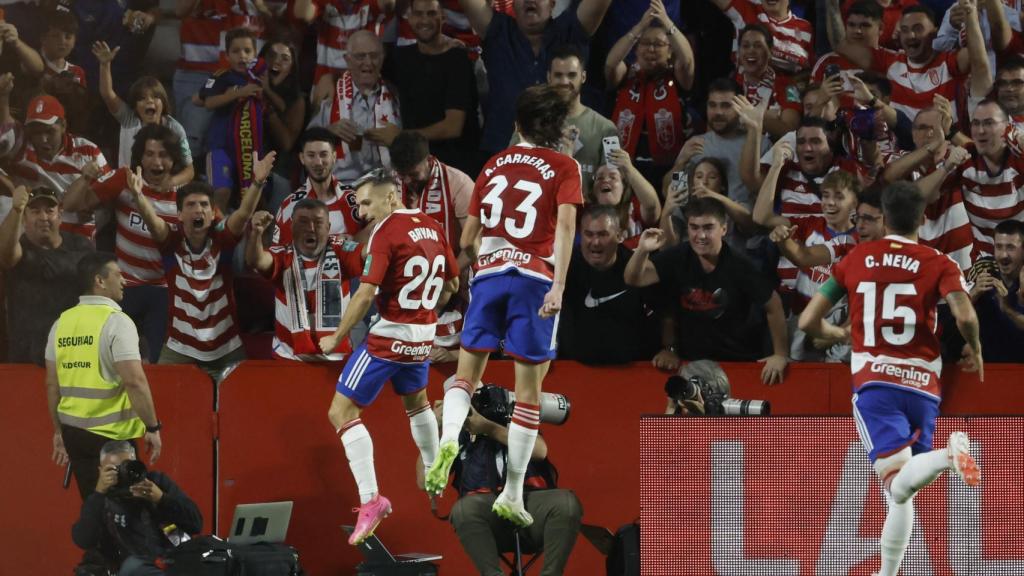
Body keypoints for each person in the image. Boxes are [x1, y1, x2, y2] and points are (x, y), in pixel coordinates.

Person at [798, 181, 983, 576]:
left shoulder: (855, 259)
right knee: (902, 494)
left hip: (875, 384)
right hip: (923, 389)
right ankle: (888, 573)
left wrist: (838, 334)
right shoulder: (940, 261)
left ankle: (948, 456)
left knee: (896, 485)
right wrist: (976, 349)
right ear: (922, 218)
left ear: (883, 215)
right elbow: (965, 315)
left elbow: (808, 320)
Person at [425, 85, 583, 528]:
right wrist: (559, 285)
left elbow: (468, 240)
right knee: (529, 393)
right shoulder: (564, 165)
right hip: (533, 280)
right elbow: (567, 226)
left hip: (489, 277)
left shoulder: (493, 164)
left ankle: (450, 436)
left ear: (517, 126)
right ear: (556, 129)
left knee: (465, 376)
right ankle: (513, 492)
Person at [316, 169, 460, 545]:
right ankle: (434, 471)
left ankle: (371, 499)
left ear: (391, 197)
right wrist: (426, 309)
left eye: (366, 202)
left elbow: (365, 294)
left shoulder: (386, 232)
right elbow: (454, 284)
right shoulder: (433, 226)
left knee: (340, 412)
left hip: (389, 336)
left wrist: (337, 336)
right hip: (423, 337)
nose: (362, 212)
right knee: (417, 404)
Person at [134, 155, 275, 380]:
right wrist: (138, 196)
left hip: (227, 349)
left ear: (212, 213)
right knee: (165, 403)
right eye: (191, 205)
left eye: (204, 205)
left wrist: (257, 183)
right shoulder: (170, 245)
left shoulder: (224, 241)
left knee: (239, 407)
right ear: (179, 214)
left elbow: (243, 214)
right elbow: (153, 222)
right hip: (179, 349)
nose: (198, 209)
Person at [624, 197, 789, 382]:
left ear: (723, 229)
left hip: (737, 361)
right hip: (690, 363)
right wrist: (642, 250)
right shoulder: (678, 257)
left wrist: (780, 354)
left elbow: (774, 304)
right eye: (694, 227)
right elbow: (633, 278)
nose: (700, 236)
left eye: (708, 228)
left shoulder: (740, 265)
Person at [424, 386, 582, 576]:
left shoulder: (516, 422)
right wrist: (433, 427)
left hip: (531, 509)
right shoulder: (457, 436)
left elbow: (540, 451)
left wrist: (489, 428)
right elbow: (423, 480)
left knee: (566, 502)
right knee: (463, 509)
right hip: (488, 518)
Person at [61, 125, 187, 363]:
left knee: (153, 363)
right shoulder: (123, 179)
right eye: (149, 154)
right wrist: (87, 176)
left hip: (163, 290)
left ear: (173, 160)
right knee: (109, 357)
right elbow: (72, 205)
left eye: (163, 155)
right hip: (123, 286)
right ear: (140, 157)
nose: (156, 162)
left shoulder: (184, 193)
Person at [45, 252, 163, 499]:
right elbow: (134, 381)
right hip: (113, 440)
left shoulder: (61, 323)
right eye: (118, 275)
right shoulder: (117, 322)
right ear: (99, 281)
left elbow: (52, 385)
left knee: (94, 507)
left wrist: (58, 432)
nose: (124, 281)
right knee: (125, 516)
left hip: (74, 436)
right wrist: (152, 426)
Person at [459, 0, 613, 159]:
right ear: (512, 5)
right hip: (501, 155)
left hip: (563, 156)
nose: (529, 1)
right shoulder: (498, 30)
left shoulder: (570, 30)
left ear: (552, 3)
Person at [248, 198, 364, 362]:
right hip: (288, 357)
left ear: (328, 227)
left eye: (318, 222)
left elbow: (366, 254)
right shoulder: (282, 255)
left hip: (336, 358)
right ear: (292, 227)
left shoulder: (340, 249)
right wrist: (256, 233)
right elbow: (256, 260)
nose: (311, 228)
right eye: (303, 222)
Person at [72, 440, 202, 576]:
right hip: (123, 566)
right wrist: (99, 493)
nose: (124, 473)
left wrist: (161, 499)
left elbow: (196, 524)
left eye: (128, 466)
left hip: (165, 561)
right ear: (101, 471)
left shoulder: (156, 483)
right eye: (115, 470)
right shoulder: (102, 498)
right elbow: (84, 540)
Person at [1, 83, 112, 239]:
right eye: (36, 132)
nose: (43, 139)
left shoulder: (89, 152)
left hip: (76, 238)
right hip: (32, 236)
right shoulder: (20, 145)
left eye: (49, 131)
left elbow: (107, 201)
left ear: (63, 125)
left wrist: (90, 202)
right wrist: (11, 187)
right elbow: (5, 128)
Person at [385, 0, 480, 177]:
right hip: (414, 166)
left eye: (431, 13)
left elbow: (453, 126)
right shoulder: (401, 58)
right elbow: (373, 70)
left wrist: (401, 137)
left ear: (442, 17)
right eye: (419, 14)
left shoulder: (458, 60)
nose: (425, 20)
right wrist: (329, 77)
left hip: (455, 167)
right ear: (410, 18)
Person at [0, 185, 93, 365]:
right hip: (26, 357)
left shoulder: (81, 247)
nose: (43, 217)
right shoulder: (19, 248)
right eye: (35, 211)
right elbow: (5, 254)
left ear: (60, 214)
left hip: (73, 354)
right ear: (25, 218)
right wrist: (16, 209)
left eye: (49, 211)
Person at [605, 0, 695, 184]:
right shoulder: (625, 74)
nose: (651, 49)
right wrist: (639, 27)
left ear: (670, 51)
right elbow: (610, 64)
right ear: (636, 49)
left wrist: (666, 21)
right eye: (645, 43)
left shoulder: (677, 76)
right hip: (624, 166)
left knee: (675, 208)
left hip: (673, 166)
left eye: (658, 44)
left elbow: (687, 60)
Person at [558, 205, 658, 364]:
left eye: (603, 234)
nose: (595, 242)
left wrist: (668, 349)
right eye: (588, 234)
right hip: (574, 369)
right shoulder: (564, 267)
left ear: (619, 236)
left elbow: (664, 312)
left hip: (629, 370)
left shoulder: (636, 268)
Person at [881, 106, 974, 270]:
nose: (930, 133)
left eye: (936, 128)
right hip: (915, 267)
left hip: (962, 268)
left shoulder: (960, 157)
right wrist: (938, 145)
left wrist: (950, 137)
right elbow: (893, 180)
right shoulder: (899, 159)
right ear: (913, 133)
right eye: (923, 128)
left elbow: (982, 153)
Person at [515, 44, 617, 192]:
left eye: (571, 75)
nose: (564, 82)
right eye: (558, 75)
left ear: (583, 77)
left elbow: (614, 185)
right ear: (548, 77)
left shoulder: (606, 129)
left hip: (587, 211)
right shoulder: (530, 123)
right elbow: (513, 169)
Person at [307, 30, 403, 182]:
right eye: (360, 56)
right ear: (347, 60)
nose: (368, 62)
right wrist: (328, 132)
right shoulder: (331, 94)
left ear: (382, 58)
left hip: (385, 184)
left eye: (374, 56)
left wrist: (399, 139)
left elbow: (411, 144)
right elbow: (307, 143)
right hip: (341, 185)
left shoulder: (395, 95)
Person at [198, 27, 265, 210]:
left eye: (247, 51)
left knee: (250, 199)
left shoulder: (261, 79)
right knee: (221, 191)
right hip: (220, 146)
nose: (242, 56)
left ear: (255, 54)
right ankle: (214, 231)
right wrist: (238, 93)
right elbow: (208, 102)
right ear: (226, 55)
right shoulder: (222, 76)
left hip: (250, 150)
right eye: (235, 51)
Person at [274, 128, 366, 247]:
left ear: (334, 156)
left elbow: (373, 245)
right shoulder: (290, 207)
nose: (318, 162)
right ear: (302, 158)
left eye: (323, 154)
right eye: (311, 155)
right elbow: (280, 256)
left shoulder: (357, 200)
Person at [293, 0, 395, 107]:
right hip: (327, 92)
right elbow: (302, 14)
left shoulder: (371, 4)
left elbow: (388, 3)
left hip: (364, 94)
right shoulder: (324, 3)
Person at [731, 24, 803, 141]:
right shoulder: (730, 83)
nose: (751, 51)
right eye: (745, 46)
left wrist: (754, 115)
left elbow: (791, 130)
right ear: (739, 52)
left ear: (770, 51)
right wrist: (770, 117)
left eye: (758, 46)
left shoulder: (788, 87)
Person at [969, 219, 1024, 362]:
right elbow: (953, 318)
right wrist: (975, 293)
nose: (1003, 255)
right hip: (988, 367)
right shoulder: (983, 270)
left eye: (1011, 248)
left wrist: (1006, 308)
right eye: (999, 247)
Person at [712, 0, 815, 74]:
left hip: (788, 99)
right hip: (746, 95)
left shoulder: (806, 28)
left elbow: (809, 71)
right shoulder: (747, 9)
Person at [587, 152, 660, 249]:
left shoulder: (634, 207)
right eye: (599, 178)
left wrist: (629, 168)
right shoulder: (583, 211)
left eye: (613, 177)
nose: (605, 180)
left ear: (624, 187)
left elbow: (652, 206)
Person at [39, 9, 87, 88]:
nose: (62, 41)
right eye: (55, 36)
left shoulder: (78, 72)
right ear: (43, 38)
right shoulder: (35, 66)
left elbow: (82, 99)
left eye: (68, 37)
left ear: (74, 41)